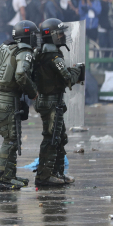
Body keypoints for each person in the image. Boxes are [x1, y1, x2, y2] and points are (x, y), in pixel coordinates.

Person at [0, 20, 39, 190]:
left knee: (12, 138)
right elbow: (21, 74)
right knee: (10, 140)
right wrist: (33, 93)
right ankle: (2, 179)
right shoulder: (24, 51)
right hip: (7, 99)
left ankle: (9, 175)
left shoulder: (5, 47)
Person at [33, 18, 85, 186]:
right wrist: (78, 70)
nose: (63, 36)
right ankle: (44, 176)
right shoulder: (53, 56)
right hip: (51, 102)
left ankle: (57, 173)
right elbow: (68, 79)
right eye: (60, 33)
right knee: (51, 138)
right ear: (52, 35)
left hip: (48, 101)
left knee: (59, 137)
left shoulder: (40, 53)